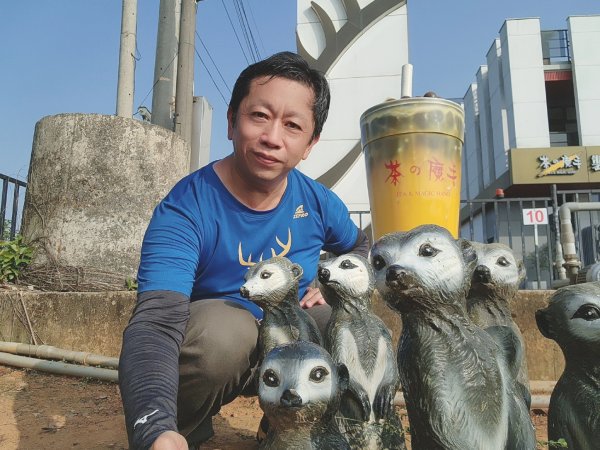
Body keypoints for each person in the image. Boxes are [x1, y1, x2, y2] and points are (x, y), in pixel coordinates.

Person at [119, 51, 369, 450]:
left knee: (343, 322)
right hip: (223, 351)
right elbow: (156, 322)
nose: (272, 137)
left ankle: (299, 428)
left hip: (291, 345)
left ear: (310, 143)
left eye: (292, 125)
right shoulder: (187, 207)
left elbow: (360, 247)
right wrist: (153, 426)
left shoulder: (318, 202)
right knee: (224, 334)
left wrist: (336, 284)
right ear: (232, 122)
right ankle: (179, 430)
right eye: (259, 116)